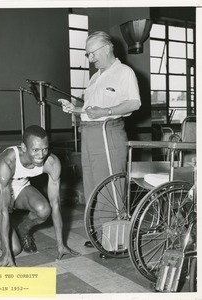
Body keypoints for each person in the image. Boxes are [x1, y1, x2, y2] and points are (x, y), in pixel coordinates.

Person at [58, 31, 141, 258]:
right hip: (89, 133)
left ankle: (115, 241)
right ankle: (99, 235)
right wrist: (75, 108)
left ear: (106, 48)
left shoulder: (124, 72)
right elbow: (92, 108)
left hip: (109, 132)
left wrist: (105, 111)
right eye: (87, 54)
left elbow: (134, 102)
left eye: (91, 53)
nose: (90, 59)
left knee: (110, 186)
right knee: (93, 185)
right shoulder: (96, 77)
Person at [0, 125, 79, 266]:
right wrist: (6, 254)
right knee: (14, 250)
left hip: (21, 187)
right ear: (23, 147)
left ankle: (23, 231)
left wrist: (61, 244)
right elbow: (3, 210)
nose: (41, 155)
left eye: (45, 149)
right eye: (35, 150)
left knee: (44, 209)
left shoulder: (51, 162)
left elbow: (56, 204)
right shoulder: (6, 162)